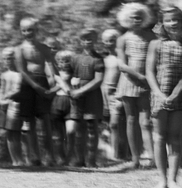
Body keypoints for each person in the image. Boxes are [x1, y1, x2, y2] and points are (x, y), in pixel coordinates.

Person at [146, 5, 182, 188]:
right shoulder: (156, 44)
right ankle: (162, 179)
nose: (173, 23)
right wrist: (159, 94)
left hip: (178, 95)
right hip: (159, 94)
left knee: (175, 137)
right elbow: (149, 72)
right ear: (162, 23)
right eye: (169, 20)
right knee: (159, 137)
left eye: (177, 19)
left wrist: (175, 94)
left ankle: (173, 179)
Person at [114, 3, 156, 169]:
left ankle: (153, 158)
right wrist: (139, 76)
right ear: (127, 19)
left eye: (139, 17)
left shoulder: (150, 36)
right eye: (133, 17)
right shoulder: (122, 38)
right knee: (131, 120)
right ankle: (135, 159)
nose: (137, 20)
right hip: (129, 81)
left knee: (146, 121)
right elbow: (122, 64)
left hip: (147, 83)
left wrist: (148, 77)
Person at [14, 17, 56, 166]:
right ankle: (34, 156)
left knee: (45, 120)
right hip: (28, 85)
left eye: (30, 29)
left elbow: (51, 67)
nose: (27, 33)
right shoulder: (19, 49)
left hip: (42, 81)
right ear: (21, 31)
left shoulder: (44, 48)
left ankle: (50, 157)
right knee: (29, 121)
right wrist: (35, 87)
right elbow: (22, 70)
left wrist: (52, 86)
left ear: (37, 30)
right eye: (24, 30)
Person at [69, 30, 106, 168]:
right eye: (84, 39)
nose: (87, 42)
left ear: (95, 40)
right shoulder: (75, 58)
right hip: (77, 98)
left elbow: (98, 79)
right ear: (80, 41)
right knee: (79, 128)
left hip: (92, 96)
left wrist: (81, 90)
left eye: (90, 39)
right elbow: (68, 75)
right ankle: (79, 160)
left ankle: (91, 160)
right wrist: (71, 88)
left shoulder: (98, 59)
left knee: (92, 126)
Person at [99, 28, 127, 162]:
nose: (109, 43)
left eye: (112, 40)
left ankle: (119, 153)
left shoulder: (121, 58)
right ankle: (112, 152)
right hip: (103, 93)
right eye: (106, 41)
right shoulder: (103, 58)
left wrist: (120, 92)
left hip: (117, 93)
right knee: (107, 124)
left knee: (115, 123)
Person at [0, 47, 26, 167]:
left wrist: (6, 97)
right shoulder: (4, 75)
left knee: (17, 133)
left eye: (10, 58)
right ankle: (15, 160)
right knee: (9, 133)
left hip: (16, 105)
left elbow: (17, 90)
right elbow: (2, 89)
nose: (7, 61)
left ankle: (21, 159)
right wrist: (1, 100)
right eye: (5, 58)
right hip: (6, 105)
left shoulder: (19, 74)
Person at [49, 49, 75, 164]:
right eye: (60, 61)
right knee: (58, 135)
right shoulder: (55, 74)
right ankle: (60, 158)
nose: (63, 64)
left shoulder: (75, 74)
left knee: (71, 132)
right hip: (57, 102)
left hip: (71, 103)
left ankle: (70, 157)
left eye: (66, 61)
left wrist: (63, 83)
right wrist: (60, 84)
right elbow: (51, 89)